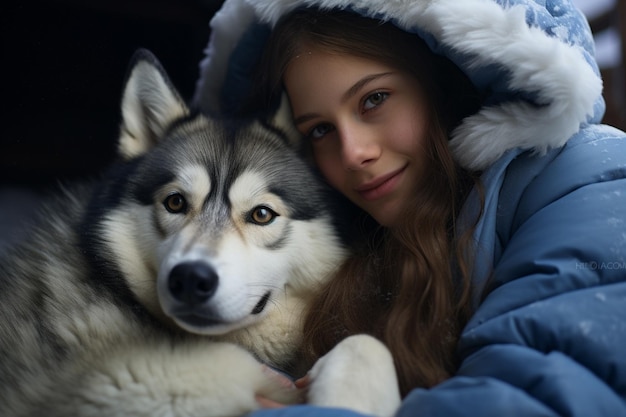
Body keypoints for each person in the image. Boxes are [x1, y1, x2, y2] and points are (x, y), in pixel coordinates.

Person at [193, 0, 626, 415]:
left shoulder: (589, 174)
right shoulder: (341, 256)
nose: (352, 153)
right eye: (320, 129)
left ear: (442, 78)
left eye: (374, 99)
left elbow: (541, 397)